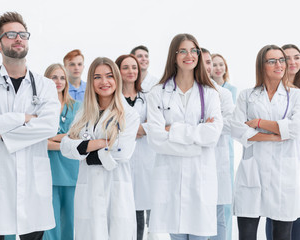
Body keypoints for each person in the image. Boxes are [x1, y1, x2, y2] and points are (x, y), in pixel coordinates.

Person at [0, 12, 60, 240]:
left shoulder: (45, 85)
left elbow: (49, 126)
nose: (18, 38)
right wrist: (24, 117)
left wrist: (3, 133)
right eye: (11, 35)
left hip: (33, 186)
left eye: (22, 34)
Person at [146, 33, 223, 240]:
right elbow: (155, 138)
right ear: (174, 56)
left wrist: (173, 130)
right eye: (183, 51)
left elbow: (213, 134)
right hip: (170, 181)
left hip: (201, 178)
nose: (189, 55)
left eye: (193, 51)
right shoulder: (158, 93)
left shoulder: (210, 93)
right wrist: (197, 140)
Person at [60, 57, 140, 240]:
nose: (104, 82)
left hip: (116, 191)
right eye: (97, 77)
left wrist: (82, 150)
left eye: (109, 76)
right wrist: (99, 143)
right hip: (88, 191)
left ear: (117, 79)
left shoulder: (129, 115)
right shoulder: (83, 113)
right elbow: (65, 146)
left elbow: (122, 152)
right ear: (91, 81)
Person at [230, 45, 300, 240]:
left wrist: (258, 123)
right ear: (262, 66)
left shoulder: (295, 96)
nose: (279, 64)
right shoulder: (247, 95)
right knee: (246, 234)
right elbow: (236, 128)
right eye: (272, 61)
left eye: (281, 60)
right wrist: (275, 134)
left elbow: (295, 129)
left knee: (282, 235)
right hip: (252, 172)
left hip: (283, 175)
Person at [115, 54, 156, 240]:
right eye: (126, 67)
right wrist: (135, 129)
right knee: (123, 209)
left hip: (146, 158)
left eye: (134, 67)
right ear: (118, 71)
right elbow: (112, 126)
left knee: (141, 208)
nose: (131, 71)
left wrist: (137, 129)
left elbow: (156, 123)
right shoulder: (112, 97)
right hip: (121, 158)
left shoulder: (148, 96)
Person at [265, 43, 300, 240]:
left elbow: (293, 128)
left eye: (297, 57)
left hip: (295, 156)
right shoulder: (272, 92)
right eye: (287, 58)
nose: (292, 62)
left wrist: (271, 125)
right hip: (279, 162)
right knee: (277, 216)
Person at [43, 63, 81, 240]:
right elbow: (38, 140)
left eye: (62, 77)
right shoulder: (40, 108)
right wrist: (65, 141)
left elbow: (79, 137)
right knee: (48, 222)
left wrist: (53, 139)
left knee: (71, 222)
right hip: (47, 170)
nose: (58, 81)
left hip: (72, 171)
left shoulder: (78, 108)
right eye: (54, 77)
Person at [202, 48, 235, 240]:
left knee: (218, 215)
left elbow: (230, 124)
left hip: (217, 159)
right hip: (193, 160)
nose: (209, 67)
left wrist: (205, 127)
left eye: (210, 62)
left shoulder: (223, 93)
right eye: (205, 62)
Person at [211, 53, 237, 240]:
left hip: (225, 147)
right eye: (214, 64)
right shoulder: (204, 89)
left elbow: (230, 122)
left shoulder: (230, 91)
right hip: (209, 147)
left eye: (221, 64)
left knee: (224, 203)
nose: (218, 68)